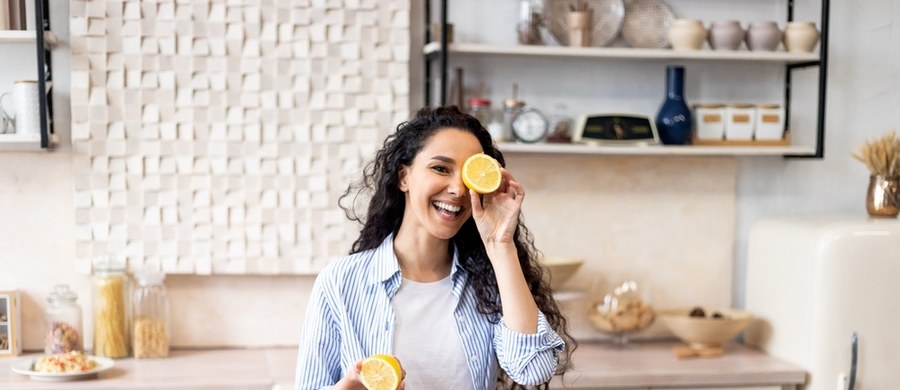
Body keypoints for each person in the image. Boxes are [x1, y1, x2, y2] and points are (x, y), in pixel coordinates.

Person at [295, 106, 574, 389]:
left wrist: (500, 244)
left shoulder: (488, 282)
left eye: (468, 176)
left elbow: (533, 369)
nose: (458, 189)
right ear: (403, 177)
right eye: (441, 168)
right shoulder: (342, 282)